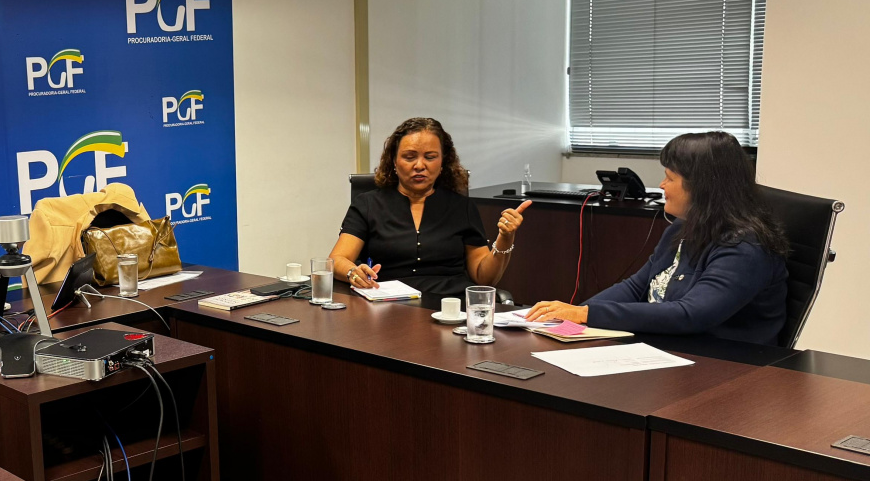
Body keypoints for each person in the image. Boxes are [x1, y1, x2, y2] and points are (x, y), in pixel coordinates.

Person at [526, 131, 788, 344]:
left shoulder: (745, 247)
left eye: (669, 178)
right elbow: (636, 287)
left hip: (726, 365)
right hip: (669, 347)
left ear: (701, 188)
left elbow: (691, 314)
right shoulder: (682, 228)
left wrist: (587, 314)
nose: (662, 185)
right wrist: (573, 317)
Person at [329, 117, 530, 299]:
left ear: (442, 163)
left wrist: (505, 238)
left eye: (430, 157)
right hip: (389, 304)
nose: (419, 165)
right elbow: (338, 259)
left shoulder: (462, 207)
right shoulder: (368, 204)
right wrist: (353, 272)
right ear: (394, 162)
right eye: (409, 157)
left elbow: (484, 278)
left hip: (452, 305)